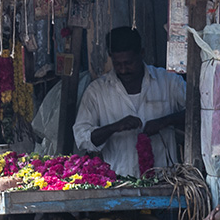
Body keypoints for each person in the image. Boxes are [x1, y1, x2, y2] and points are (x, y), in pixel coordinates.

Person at [72, 27, 186, 178]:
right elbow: (82, 137)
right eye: (118, 64)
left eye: (129, 63)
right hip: (119, 183)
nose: (124, 69)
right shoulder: (97, 91)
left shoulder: (168, 81)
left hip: (165, 181)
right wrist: (114, 127)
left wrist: (165, 121)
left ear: (142, 53)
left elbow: (197, 113)